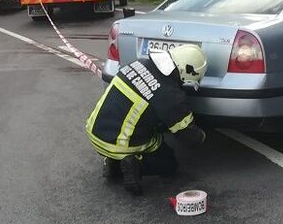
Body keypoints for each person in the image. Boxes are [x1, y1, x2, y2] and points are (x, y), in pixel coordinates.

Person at [86, 45, 208, 195]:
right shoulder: (171, 96)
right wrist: (202, 135)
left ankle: (113, 161)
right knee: (169, 164)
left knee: (149, 130)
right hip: (120, 143)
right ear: (186, 71)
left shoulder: (140, 63)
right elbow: (190, 139)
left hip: (94, 132)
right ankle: (132, 164)